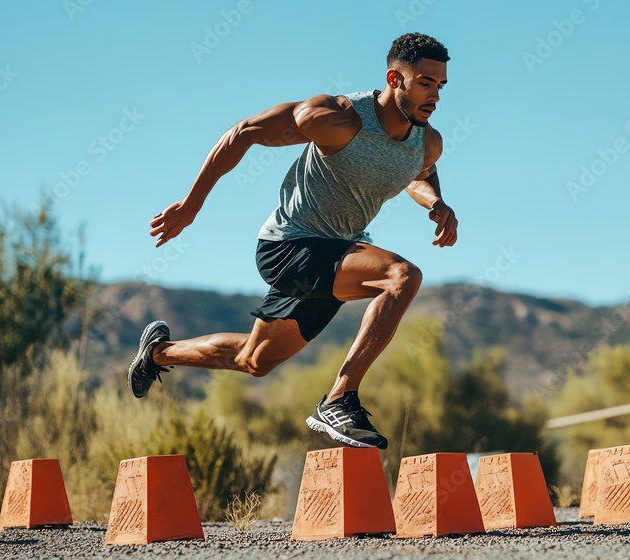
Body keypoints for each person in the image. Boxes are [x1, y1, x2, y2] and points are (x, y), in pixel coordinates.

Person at [129, 32, 457, 450]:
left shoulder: (427, 142)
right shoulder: (336, 118)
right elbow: (245, 131)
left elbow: (418, 173)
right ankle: (340, 398)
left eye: (441, 86)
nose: (436, 96)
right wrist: (191, 206)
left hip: (337, 252)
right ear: (395, 78)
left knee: (255, 359)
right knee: (401, 276)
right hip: (291, 246)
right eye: (426, 83)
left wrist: (437, 204)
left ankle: (158, 353)